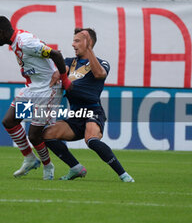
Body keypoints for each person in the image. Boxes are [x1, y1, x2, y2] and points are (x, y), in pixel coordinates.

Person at [43, 28, 135, 182]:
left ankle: (123, 175)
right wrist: (57, 72)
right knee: (47, 135)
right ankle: (76, 168)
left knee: (91, 140)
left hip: (93, 111)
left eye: (77, 41)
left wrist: (90, 50)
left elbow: (99, 74)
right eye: (73, 40)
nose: (73, 44)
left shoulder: (102, 63)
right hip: (76, 115)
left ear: (88, 42)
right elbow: (61, 72)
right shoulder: (69, 62)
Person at [0, 16, 72, 180]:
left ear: (1, 31)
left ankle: (48, 167)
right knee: (9, 121)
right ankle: (29, 158)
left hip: (47, 91)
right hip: (32, 89)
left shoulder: (25, 42)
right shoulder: (17, 41)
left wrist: (65, 79)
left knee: (34, 135)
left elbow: (55, 54)